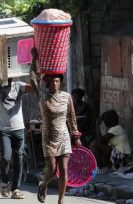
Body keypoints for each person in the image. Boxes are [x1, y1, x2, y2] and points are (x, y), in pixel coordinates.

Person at [30, 48, 81, 204]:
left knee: (64, 169)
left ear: (61, 82)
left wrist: (76, 135)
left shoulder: (67, 97)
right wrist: (34, 59)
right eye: (52, 81)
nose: (55, 83)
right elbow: (33, 80)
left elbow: (71, 117)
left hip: (64, 136)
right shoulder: (42, 96)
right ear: (47, 83)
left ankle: (60, 201)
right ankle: (43, 184)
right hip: (49, 137)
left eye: (57, 80)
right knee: (51, 170)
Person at [0, 69, 32, 199]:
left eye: (10, 74)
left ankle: (16, 189)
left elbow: (33, 88)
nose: (8, 77)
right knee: (6, 157)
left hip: (19, 129)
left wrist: (33, 71)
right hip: (4, 129)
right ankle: (4, 182)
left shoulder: (19, 86)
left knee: (19, 159)